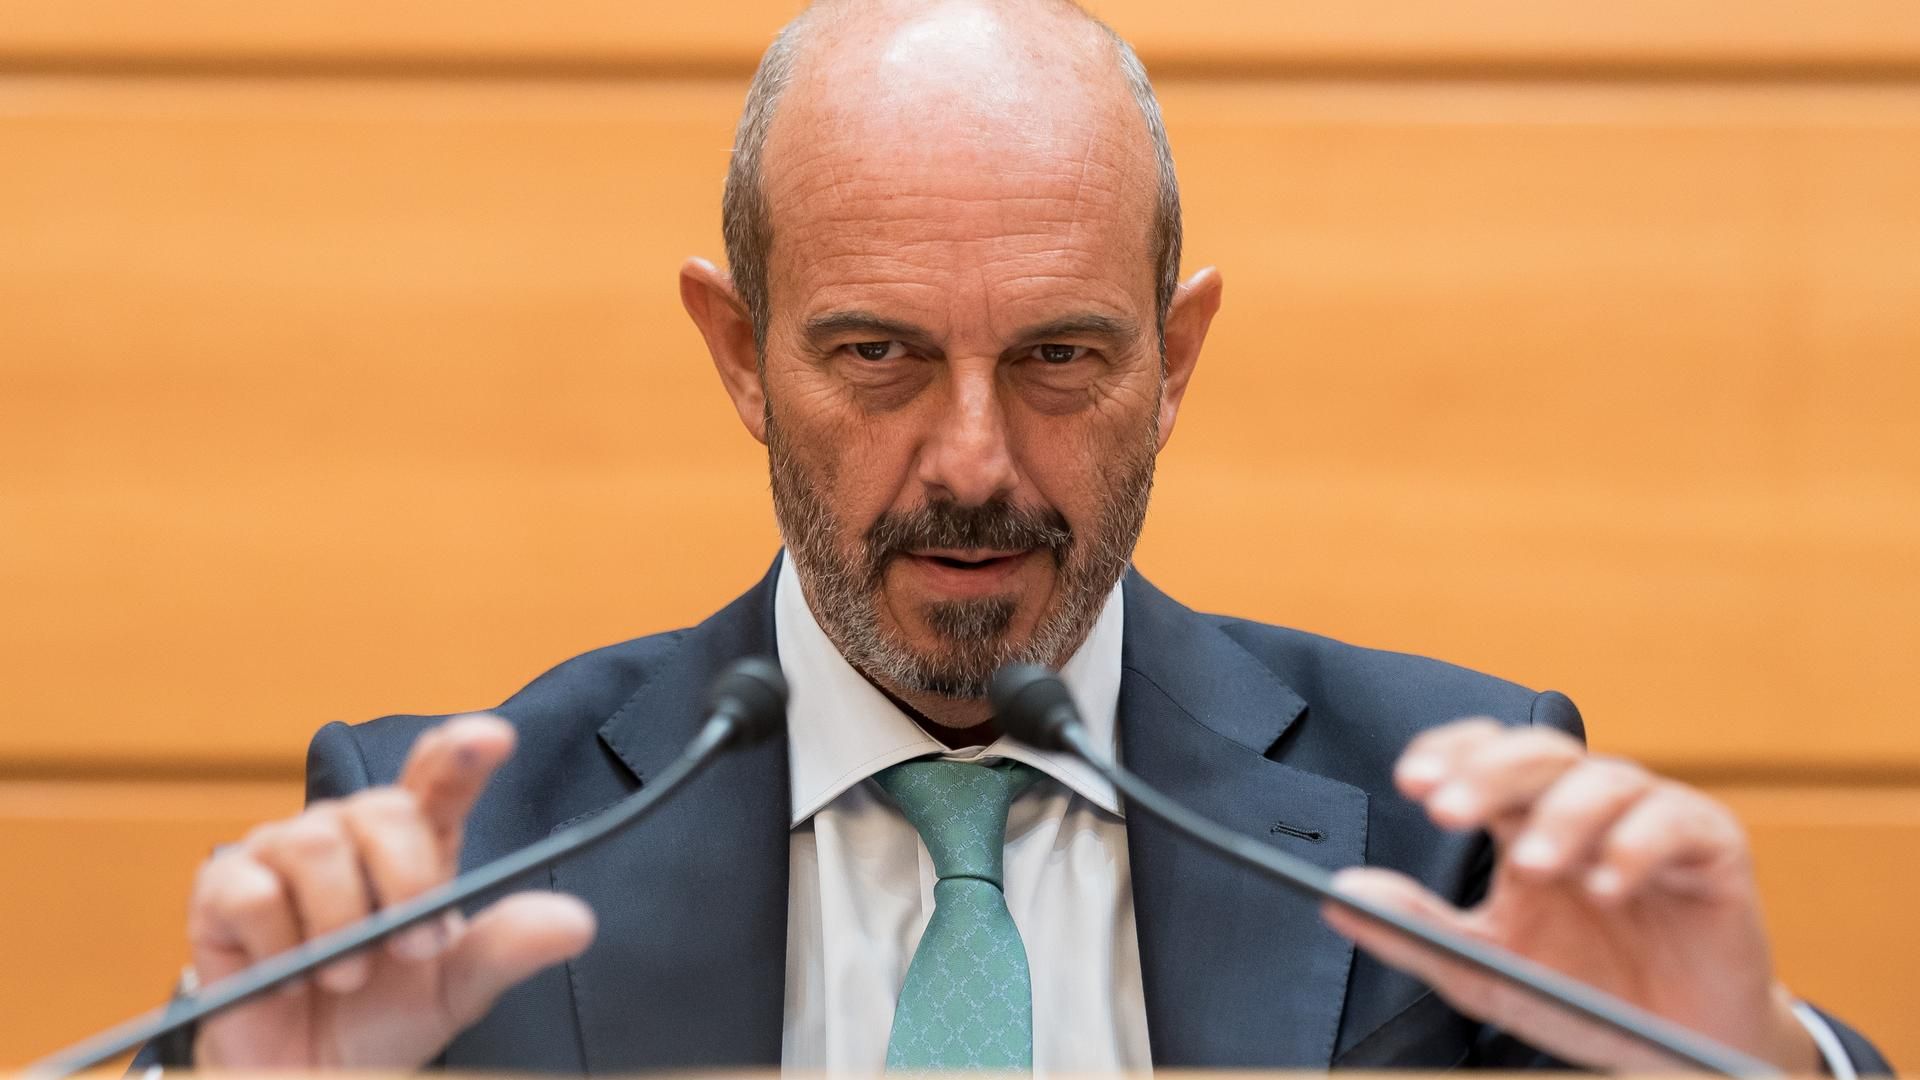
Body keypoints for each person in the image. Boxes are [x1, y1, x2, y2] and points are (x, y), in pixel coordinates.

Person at [140, 0, 1889, 1073]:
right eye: (876, 356)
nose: (974, 463)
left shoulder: (1452, 821)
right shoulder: (464, 864)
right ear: (740, 354)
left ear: (1174, 359)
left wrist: (1751, 1063)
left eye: (1059, 357)